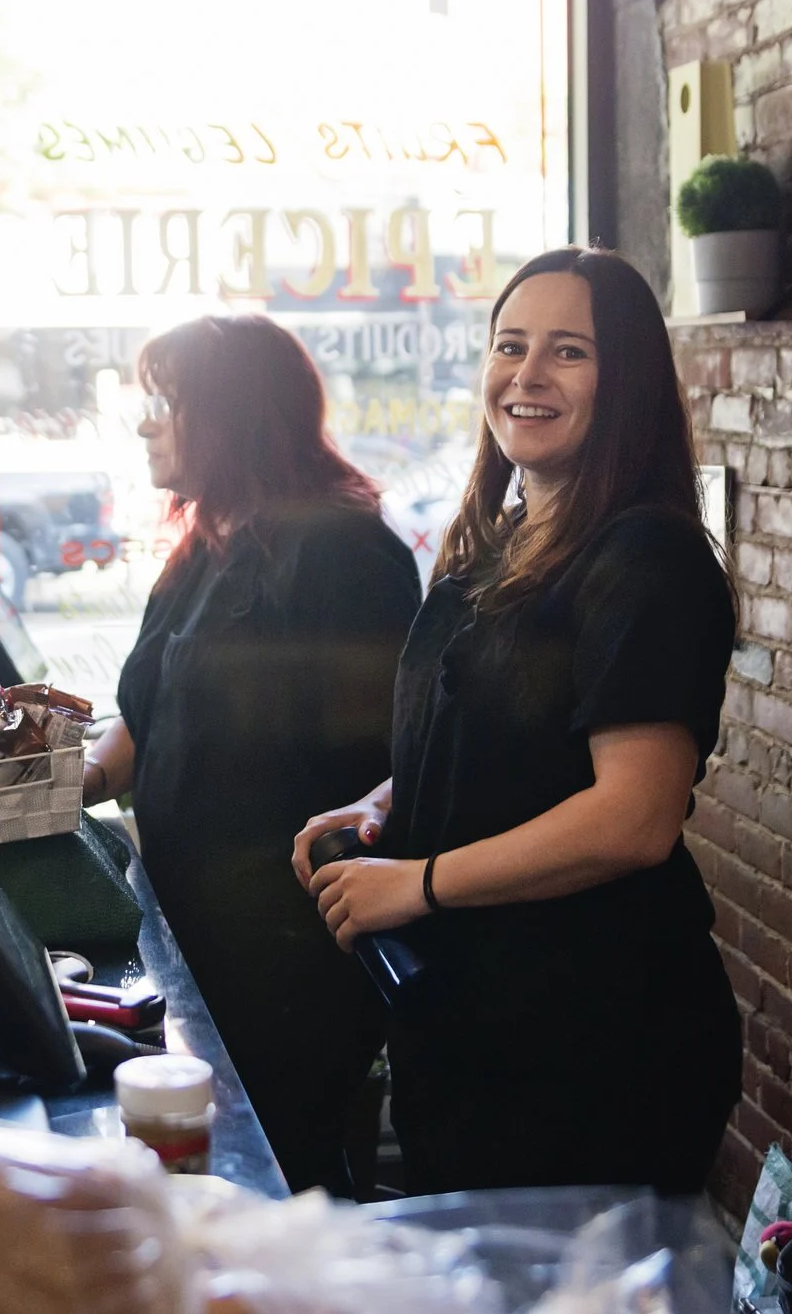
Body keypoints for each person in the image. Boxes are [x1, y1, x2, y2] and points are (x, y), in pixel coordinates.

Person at [295, 247, 742, 1193]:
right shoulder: (501, 545)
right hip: (474, 1031)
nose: (527, 376)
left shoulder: (647, 561)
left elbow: (634, 817)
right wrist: (384, 806)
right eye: (510, 346)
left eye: (568, 353)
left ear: (624, 383)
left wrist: (417, 881)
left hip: (593, 1047)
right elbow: (496, 731)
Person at [82, 315, 421, 1196]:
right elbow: (146, 713)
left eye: (166, 402)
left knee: (276, 1190)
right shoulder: (205, 542)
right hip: (200, 937)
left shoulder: (343, 552)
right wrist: (61, 783)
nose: (146, 423)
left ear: (231, 413)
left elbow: (395, 759)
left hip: (288, 958)